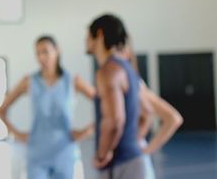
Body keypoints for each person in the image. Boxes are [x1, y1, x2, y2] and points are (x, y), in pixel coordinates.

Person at [75, 41, 183, 179]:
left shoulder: (135, 85)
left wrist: (146, 149)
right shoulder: (121, 84)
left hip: (130, 158)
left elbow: (170, 117)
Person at [0, 35, 93, 179]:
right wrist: (18, 134)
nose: (41, 57)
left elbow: (104, 106)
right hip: (37, 153)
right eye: (38, 53)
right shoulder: (29, 81)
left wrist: (85, 132)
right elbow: (1, 111)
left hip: (64, 152)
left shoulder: (73, 81)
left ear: (57, 51)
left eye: (45, 52)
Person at [85, 14, 144, 179]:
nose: (85, 40)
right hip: (132, 159)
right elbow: (146, 113)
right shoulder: (127, 68)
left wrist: (103, 153)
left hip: (119, 164)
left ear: (100, 34)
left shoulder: (108, 71)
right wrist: (131, 142)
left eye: (88, 35)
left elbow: (114, 121)